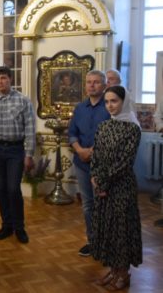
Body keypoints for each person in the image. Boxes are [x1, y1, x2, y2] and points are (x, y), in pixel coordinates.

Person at [91, 85, 142, 290]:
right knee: (109, 229)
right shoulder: (104, 126)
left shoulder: (133, 128)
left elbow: (124, 162)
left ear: (124, 102)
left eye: (114, 101)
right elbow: (96, 156)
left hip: (122, 187)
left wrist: (103, 182)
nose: (110, 106)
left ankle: (123, 273)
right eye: (107, 102)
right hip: (103, 186)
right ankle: (113, 270)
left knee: (122, 230)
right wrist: (95, 178)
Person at [0, 66, 35, 244]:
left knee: (13, 189)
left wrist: (29, 154)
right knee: (1, 189)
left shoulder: (23, 101)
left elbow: (30, 129)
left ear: (11, 79)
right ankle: (7, 225)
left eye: (3, 78)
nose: (0, 82)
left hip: (16, 150)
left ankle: (19, 227)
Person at [68, 69, 110, 257]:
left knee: (104, 203)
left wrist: (92, 152)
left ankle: (106, 242)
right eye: (89, 82)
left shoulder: (109, 107)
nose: (91, 85)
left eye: (96, 82)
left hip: (102, 165)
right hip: (81, 163)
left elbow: (111, 135)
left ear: (104, 85)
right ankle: (92, 241)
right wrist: (79, 150)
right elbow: (71, 133)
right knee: (87, 205)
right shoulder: (79, 108)